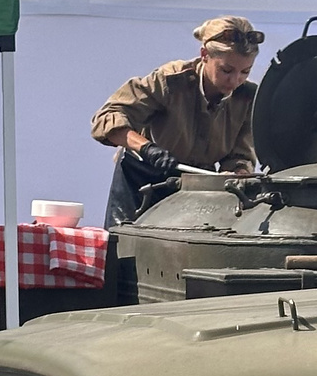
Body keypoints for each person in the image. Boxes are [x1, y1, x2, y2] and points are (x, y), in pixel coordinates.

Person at [90, 15, 264, 225]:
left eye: (245, 72)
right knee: (128, 252)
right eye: (226, 70)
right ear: (204, 55)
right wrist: (147, 148)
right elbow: (106, 118)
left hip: (198, 191)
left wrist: (238, 174)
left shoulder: (247, 98)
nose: (235, 81)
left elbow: (240, 155)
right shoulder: (170, 82)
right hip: (143, 185)